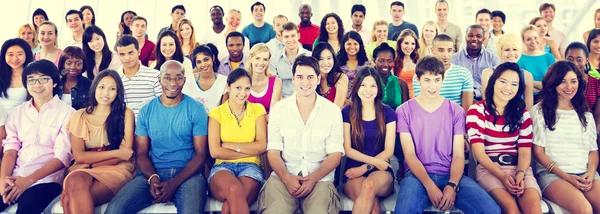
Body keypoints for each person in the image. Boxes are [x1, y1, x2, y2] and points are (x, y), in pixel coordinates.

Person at [394, 56, 500, 214]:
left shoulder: (455, 111)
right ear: (417, 79)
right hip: (417, 177)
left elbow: (458, 155)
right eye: (427, 80)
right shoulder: (403, 111)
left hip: (451, 173)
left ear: (443, 79)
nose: (432, 86)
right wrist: (430, 186)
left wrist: (452, 185)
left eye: (437, 80)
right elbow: (409, 155)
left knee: (491, 210)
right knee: (404, 210)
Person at [105, 60, 209, 214]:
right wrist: (153, 179)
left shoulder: (196, 109)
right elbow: (141, 153)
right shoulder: (147, 110)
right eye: (167, 77)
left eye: (178, 77)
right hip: (153, 173)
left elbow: (201, 154)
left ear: (184, 80)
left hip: (188, 174)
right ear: (159, 79)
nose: (173, 83)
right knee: (114, 210)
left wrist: (174, 183)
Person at [258, 55, 343, 214]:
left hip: (320, 180)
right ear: (293, 79)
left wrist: (313, 178)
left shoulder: (332, 111)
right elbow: (274, 152)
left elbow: (335, 154)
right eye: (300, 77)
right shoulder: (279, 109)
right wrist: (286, 177)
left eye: (310, 77)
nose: (305, 82)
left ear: (318, 79)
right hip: (283, 178)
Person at [0, 59, 75, 214]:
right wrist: (3, 179)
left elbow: (62, 157)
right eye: (31, 80)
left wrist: (28, 181)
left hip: (47, 180)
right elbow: (10, 150)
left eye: (43, 79)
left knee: (27, 209)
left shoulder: (68, 114)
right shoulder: (18, 112)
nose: (37, 85)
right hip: (16, 175)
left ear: (55, 82)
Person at [467, 62, 542, 213]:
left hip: (521, 169)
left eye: (514, 84)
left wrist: (520, 173)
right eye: (503, 81)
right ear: (493, 81)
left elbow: (525, 152)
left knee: (534, 210)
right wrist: (502, 176)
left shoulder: (523, 113)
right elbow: (479, 153)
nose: (508, 88)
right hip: (490, 169)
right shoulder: (477, 110)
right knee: (511, 210)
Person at [61, 70, 135, 214]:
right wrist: (117, 153)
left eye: (112, 89)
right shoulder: (79, 116)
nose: (106, 93)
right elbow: (79, 156)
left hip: (117, 168)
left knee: (70, 199)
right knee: (75, 179)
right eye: (102, 87)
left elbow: (125, 155)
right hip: (85, 167)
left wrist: (89, 164)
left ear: (118, 92)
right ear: (94, 87)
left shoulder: (126, 113)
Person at [532, 61, 600, 213]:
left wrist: (590, 173)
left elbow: (593, 151)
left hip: (585, 173)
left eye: (573, 81)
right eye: (562, 82)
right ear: (553, 83)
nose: (569, 87)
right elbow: (538, 153)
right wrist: (568, 177)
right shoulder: (539, 111)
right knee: (584, 210)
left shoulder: (585, 114)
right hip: (553, 175)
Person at [207, 68, 267, 214]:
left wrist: (231, 147)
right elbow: (215, 151)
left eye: (247, 88)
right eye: (238, 88)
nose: (243, 93)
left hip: (251, 167)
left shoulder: (258, 110)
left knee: (229, 207)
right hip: (222, 167)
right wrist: (247, 151)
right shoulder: (216, 113)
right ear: (228, 87)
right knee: (234, 189)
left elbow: (261, 146)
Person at [342, 67, 396, 214]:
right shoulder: (347, 112)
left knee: (369, 186)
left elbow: (389, 150)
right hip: (352, 173)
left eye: (373, 85)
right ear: (356, 86)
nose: (368, 90)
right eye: (363, 85)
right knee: (373, 207)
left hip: (381, 172)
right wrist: (370, 163)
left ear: (378, 88)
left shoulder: (388, 113)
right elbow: (347, 149)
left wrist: (365, 167)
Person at [413, 34, 474, 115]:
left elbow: (466, 111)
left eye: (449, 50)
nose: (446, 55)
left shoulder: (464, 74)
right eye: (441, 50)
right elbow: (421, 106)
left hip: (456, 122)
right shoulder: (420, 76)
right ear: (432, 50)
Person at [481, 34, 535, 110]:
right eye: (507, 50)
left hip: (519, 117)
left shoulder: (527, 75)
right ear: (500, 52)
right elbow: (486, 101)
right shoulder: (488, 73)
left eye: (515, 49)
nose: (511, 53)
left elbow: (528, 107)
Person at [115, 35, 161, 118]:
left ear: (139, 51)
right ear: (117, 55)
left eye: (131, 52)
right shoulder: (114, 79)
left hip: (148, 127)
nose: (127, 58)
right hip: (122, 127)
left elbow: (162, 106)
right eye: (122, 54)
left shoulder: (155, 76)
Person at [452, 24, 502, 101]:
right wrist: (468, 97)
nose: (474, 39)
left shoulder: (493, 59)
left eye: (478, 36)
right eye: (470, 35)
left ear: (483, 39)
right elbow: (453, 84)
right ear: (465, 38)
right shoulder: (454, 59)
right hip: (461, 100)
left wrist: (476, 94)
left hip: (487, 100)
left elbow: (497, 83)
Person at [565, 42, 600, 133]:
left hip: (590, 128)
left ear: (587, 60)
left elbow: (598, 115)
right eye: (570, 59)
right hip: (565, 127)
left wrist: (594, 134)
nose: (574, 63)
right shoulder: (559, 83)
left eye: (579, 59)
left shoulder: (596, 83)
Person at [182, 44, 228, 112]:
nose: (203, 64)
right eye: (199, 62)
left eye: (206, 60)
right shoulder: (188, 80)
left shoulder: (224, 81)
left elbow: (223, 111)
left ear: (213, 58)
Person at [271, 22, 311, 98]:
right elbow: (273, 86)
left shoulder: (310, 57)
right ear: (282, 39)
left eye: (293, 36)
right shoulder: (275, 59)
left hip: (305, 98)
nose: (290, 40)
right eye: (286, 37)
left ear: (298, 36)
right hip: (282, 100)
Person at [517, 25, 556, 99]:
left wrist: (530, 83)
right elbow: (519, 83)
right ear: (523, 41)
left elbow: (552, 84)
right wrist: (541, 85)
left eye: (535, 38)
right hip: (526, 99)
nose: (533, 41)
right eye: (529, 39)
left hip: (548, 98)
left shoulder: (549, 57)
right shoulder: (519, 58)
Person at [247, 43, 282, 114]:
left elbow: (273, 114)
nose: (261, 63)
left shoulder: (276, 81)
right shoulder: (242, 81)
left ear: (269, 61)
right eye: (257, 58)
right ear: (250, 59)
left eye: (265, 59)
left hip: (269, 123)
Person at [373, 42, 409, 110]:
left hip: (397, 120)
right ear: (374, 60)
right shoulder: (367, 81)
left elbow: (406, 112)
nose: (386, 64)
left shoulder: (401, 84)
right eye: (381, 61)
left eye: (389, 61)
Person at [0, 39, 33, 111]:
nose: (15, 59)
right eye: (10, 54)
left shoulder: (33, 76)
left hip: (22, 119)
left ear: (26, 55)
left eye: (19, 54)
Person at [313, 42, 348, 108]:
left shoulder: (340, 77)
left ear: (334, 59)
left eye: (329, 58)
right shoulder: (312, 78)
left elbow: (337, 109)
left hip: (335, 117)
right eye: (321, 59)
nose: (325, 63)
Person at [394, 29, 420, 98]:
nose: (409, 47)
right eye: (406, 43)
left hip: (417, 99)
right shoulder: (394, 63)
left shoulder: (419, 62)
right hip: (401, 99)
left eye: (413, 44)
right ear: (400, 43)